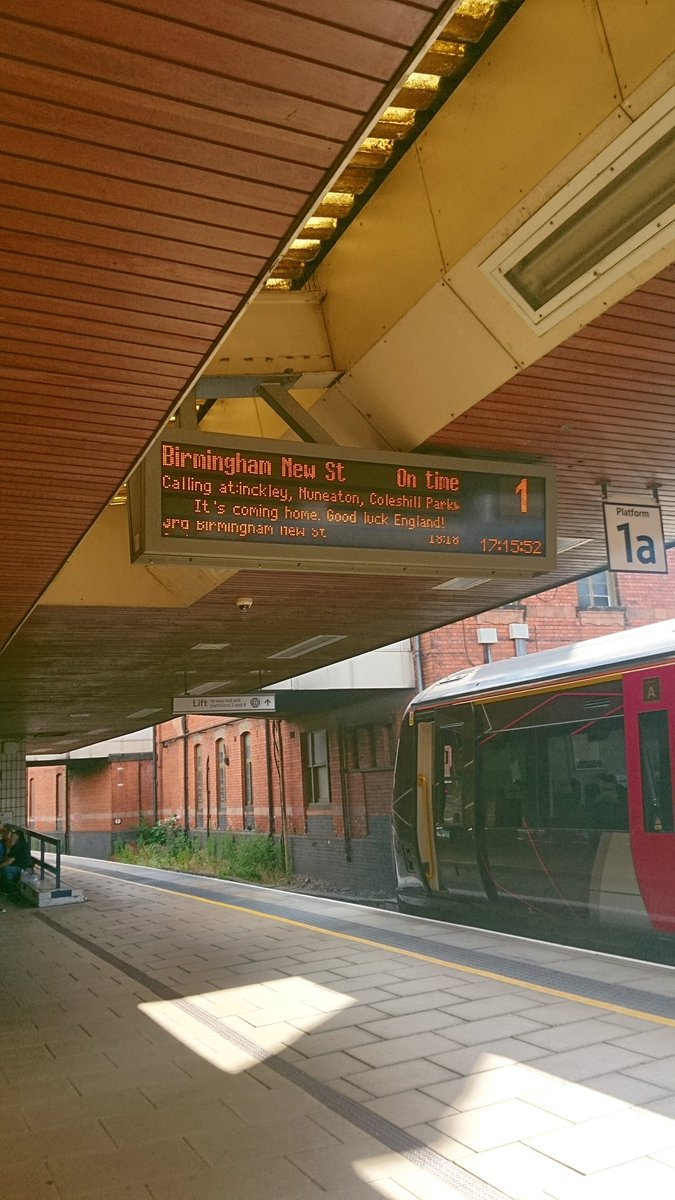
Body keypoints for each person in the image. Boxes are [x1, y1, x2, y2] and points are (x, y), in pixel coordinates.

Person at [0, 825, 34, 893]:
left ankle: (11, 890)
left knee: (6, 870)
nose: (6, 842)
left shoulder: (18, 846)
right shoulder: (15, 843)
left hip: (24, 869)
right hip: (18, 866)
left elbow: (8, 862)